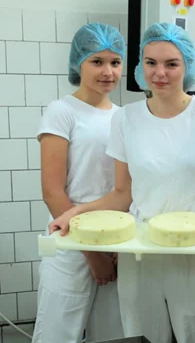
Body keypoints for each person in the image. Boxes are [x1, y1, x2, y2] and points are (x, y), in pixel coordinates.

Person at [49, 22, 195, 343]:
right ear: (140, 66)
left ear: (187, 66)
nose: (160, 73)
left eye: (171, 64)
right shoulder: (126, 118)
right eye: (151, 63)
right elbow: (121, 194)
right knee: (142, 336)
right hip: (141, 254)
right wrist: (77, 213)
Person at [32, 22, 125, 343]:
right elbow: (52, 191)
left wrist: (111, 250)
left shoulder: (124, 116)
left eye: (115, 62)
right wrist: (91, 253)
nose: (108, 72)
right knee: (58, 334)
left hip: (116, 242)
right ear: (78, 63)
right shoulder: (61, 112)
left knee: (112, 333)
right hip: (71, 245)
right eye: (96, 62)